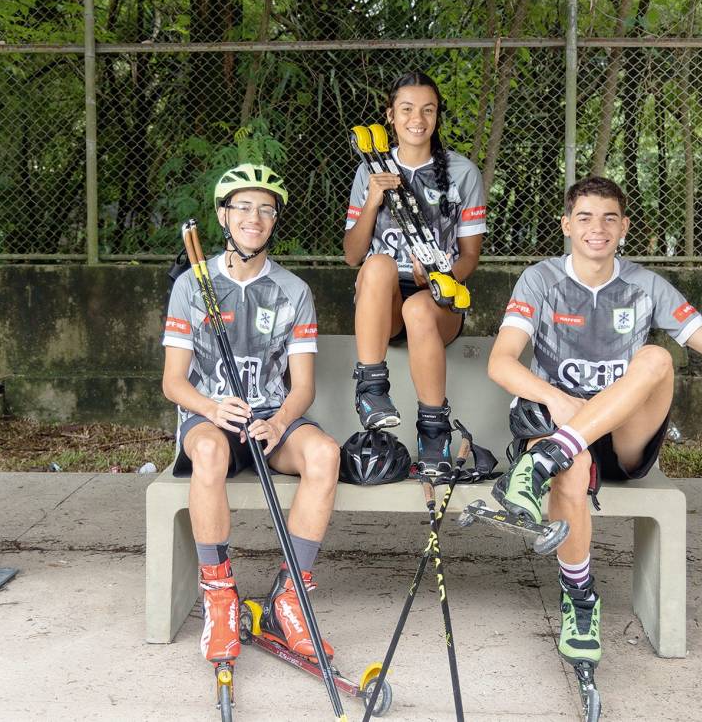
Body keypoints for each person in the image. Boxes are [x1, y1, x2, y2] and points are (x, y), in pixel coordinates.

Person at [487, 176, 702, 669]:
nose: (597, 228)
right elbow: (501, 363)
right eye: (585, 217)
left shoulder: (646, 285)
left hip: (621, 439)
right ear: (567, 225)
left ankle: (549, 457)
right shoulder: (540, 280)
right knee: (569, 469)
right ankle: (580, 599)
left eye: (609, 218)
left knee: (657, 357)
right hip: (560, 426)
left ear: (624, 227)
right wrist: (557, 400)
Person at [161, 163, 340, 671]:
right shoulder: (192, 285)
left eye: (265, 209)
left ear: (275, 220)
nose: (254, 218)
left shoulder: (293, 291)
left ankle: (290, 598)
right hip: (211, 418)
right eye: (242, 207)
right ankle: (220, 596)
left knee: (325, 455)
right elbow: (173, 382)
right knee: (209, 452)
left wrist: (279, 422)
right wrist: (212, 407)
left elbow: (302, 387)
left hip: (269, 420)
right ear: (224, 215)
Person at [343, 70, 486, 476]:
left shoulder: (462, 172)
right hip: (382, 303)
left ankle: (434, 433)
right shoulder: (371, 169)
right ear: (390, 115)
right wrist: (373, 200)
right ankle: (372, 390)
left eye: (428, 110)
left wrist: (443, 274)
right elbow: (352, 255)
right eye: (406, 109)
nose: (417, 119)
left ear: (437, 115)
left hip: (438, 300)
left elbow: (470, 257)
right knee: (377, 264)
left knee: (419, 309)